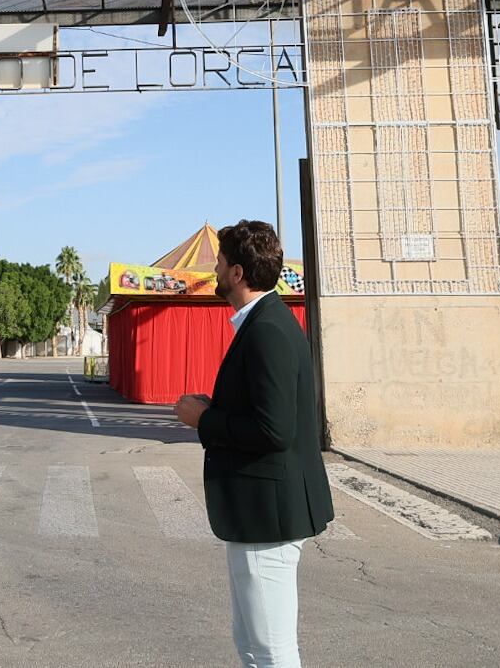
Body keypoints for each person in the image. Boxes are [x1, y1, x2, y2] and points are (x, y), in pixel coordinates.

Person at [173, 220, 334, 667]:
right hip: (258, 513)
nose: (216, 270)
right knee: (250, 640)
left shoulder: (267, 330)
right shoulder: (263, 322)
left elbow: (274, 430)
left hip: (269, 516)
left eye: (221, 263)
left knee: (271, 648)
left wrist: (205, 419)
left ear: (238, 273)